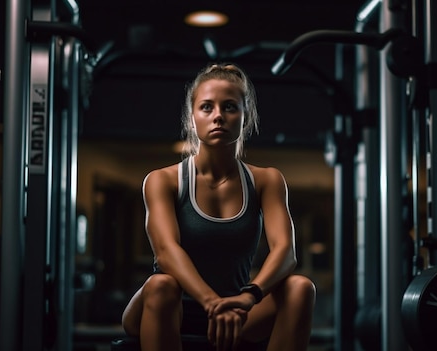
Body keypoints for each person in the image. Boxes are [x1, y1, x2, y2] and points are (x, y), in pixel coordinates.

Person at [121, 62, 317, 351]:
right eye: (206, 107)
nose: (218, 117)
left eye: (229, 107)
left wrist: (247, 297)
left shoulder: (267, 180)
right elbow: (166, 252)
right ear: (192, 118)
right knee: (162, 285)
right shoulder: (163, 180)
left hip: (237, 308)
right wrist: (212, 302)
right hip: (169, 308)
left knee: (300, 289)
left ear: (245, 117)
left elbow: (285, 253)